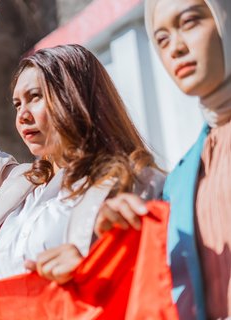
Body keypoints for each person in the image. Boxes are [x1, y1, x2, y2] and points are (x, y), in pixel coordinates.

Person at [0, 0, 165, 288]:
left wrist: (92, 270)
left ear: (75, 95)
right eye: (16, 104)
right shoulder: (21, 187)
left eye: (35, 97)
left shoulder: (136, 184)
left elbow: (159, 275)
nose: (22, 115)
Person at [96, 0, 231, 318]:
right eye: (162, 39)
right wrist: (117, 239)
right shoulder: (183, 177)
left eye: (189, 22)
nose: (176, 48)